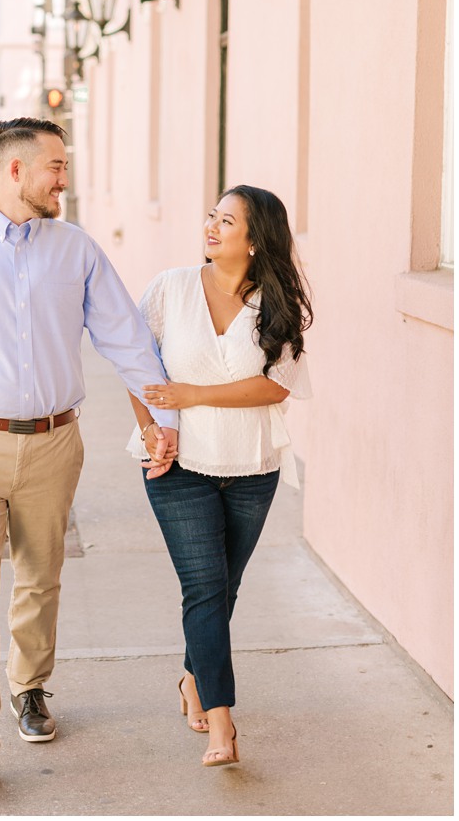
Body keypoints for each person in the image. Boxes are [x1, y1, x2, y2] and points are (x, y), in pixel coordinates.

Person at [0, 116, 179, 793]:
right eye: (55, 165)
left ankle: (31, 688)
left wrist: (165, 420)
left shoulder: (75, 251)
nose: (64, 179)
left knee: (41, 578)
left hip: (54, 444)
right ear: (15, 170)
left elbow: (127, 339)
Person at [128, 185, 312, 768]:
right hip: (176, 464)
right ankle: (223, 726)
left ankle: (191, 677)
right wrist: (158, 429)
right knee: (204, 587)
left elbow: (277, 385)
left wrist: (194, 394)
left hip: (252, 467)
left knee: (222, 589)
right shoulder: (170, 288)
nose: (211, 226)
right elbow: (137, 368)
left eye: (226, 221)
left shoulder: (277, 305)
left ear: (255, 241)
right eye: (211, 216)